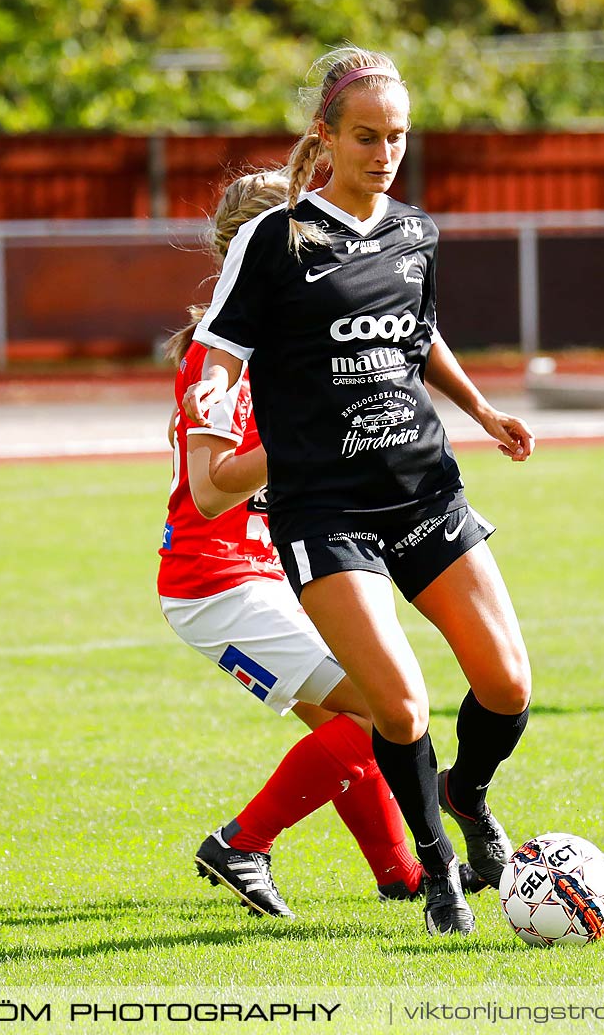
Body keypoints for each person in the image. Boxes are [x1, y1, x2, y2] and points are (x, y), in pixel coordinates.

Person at [184, 48, 536, 935]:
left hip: (423, 489)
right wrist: (216, 404)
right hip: (326, 509)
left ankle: (471, 793)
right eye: (368, 137)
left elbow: (419, 335)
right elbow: (221, 346)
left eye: (398, 138)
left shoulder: (417, 234)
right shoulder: (279, 238)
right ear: (328, 139)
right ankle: (440, 874)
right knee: (400, 703)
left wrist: (485, 410)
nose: (385, 153)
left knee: (506, 684)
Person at [158, 169, 431, 918]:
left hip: (264, 571)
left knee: (360, 722)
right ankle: (242, 844)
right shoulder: (213, 360)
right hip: (216, 584)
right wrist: (304, 432)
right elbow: (211, 488)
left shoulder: (289, 348)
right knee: (380, 712)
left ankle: (401, 875)